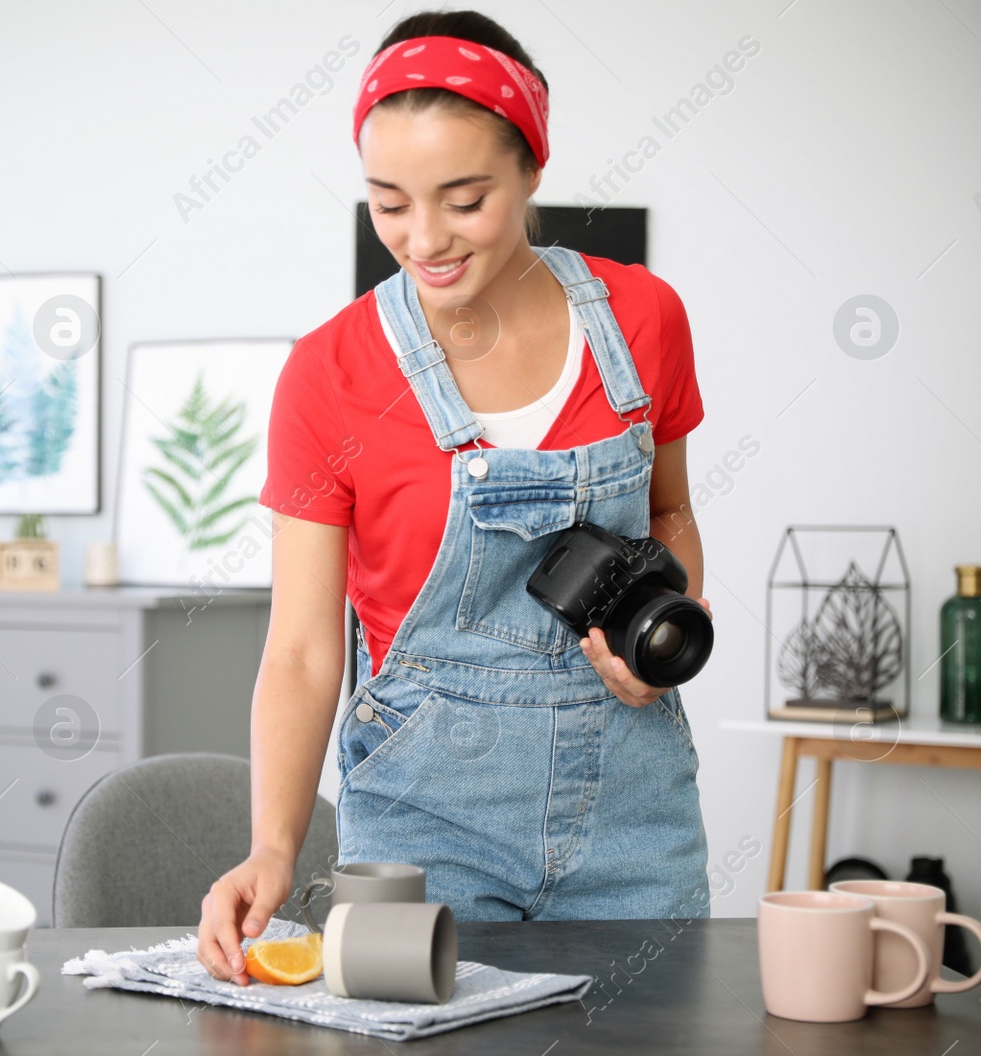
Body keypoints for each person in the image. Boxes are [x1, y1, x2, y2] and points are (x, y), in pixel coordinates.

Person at [197, 10, 714, 986]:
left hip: (635, 822)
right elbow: (304, 649)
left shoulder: (643, 319)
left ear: (530, 170)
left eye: (464, 198)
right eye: (387, 203)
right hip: (424, 833)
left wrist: (670, 623)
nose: (422, 238)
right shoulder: (328, 374)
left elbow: (670, 513)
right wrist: (274, 847)